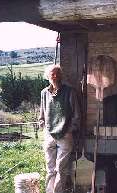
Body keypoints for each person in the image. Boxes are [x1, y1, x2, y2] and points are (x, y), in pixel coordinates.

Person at [39, 64, 80, 193]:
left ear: (61, 76)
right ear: (48, 77)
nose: (55, 76)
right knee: (50, 167)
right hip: (49, 134)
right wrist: (43, 125)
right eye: (52, 74)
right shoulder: (44, 93)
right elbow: (42, 112)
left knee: (60, 168)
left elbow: (77, 114)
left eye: (57, 74)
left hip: (65, 134)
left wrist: (70, 129)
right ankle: (49, 191)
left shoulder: (69, 91)